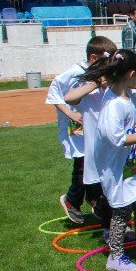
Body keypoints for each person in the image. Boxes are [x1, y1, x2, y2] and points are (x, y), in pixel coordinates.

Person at [79, 50, 136, 271]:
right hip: (117, 169)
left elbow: (125, 127)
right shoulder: (112, 104)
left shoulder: (125, 97)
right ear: (130, 74)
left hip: (132, 166)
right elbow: (116, 138)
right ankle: (115, 256)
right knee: (121, 212)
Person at [46, 36, 118, 225]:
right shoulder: (75, 72)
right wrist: (69, 113)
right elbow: (55, 92)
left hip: (93, 125)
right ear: (94, 58)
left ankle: (95, 199)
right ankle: (72, 200)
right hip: (76, 125)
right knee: (82, 163)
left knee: (94, 162)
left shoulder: (100, 74)